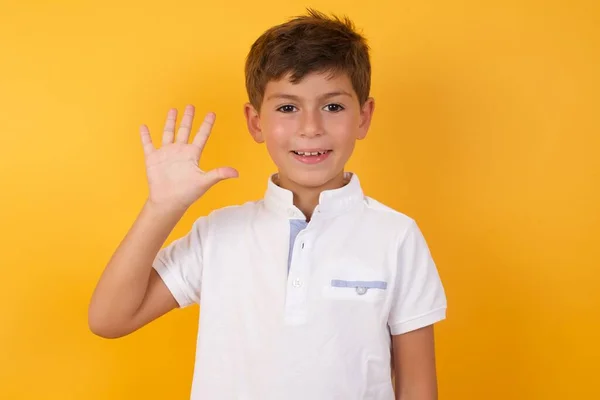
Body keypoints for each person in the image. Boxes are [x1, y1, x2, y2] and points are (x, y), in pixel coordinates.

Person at [88, 8, 447, 400]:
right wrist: (161, 209)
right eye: (287, 108)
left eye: (333, 106)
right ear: (256, 121)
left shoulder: (395, 236)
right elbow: (109, 319)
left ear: (364, 116)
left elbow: (417, 386)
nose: (310, 128)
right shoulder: (218, 234)